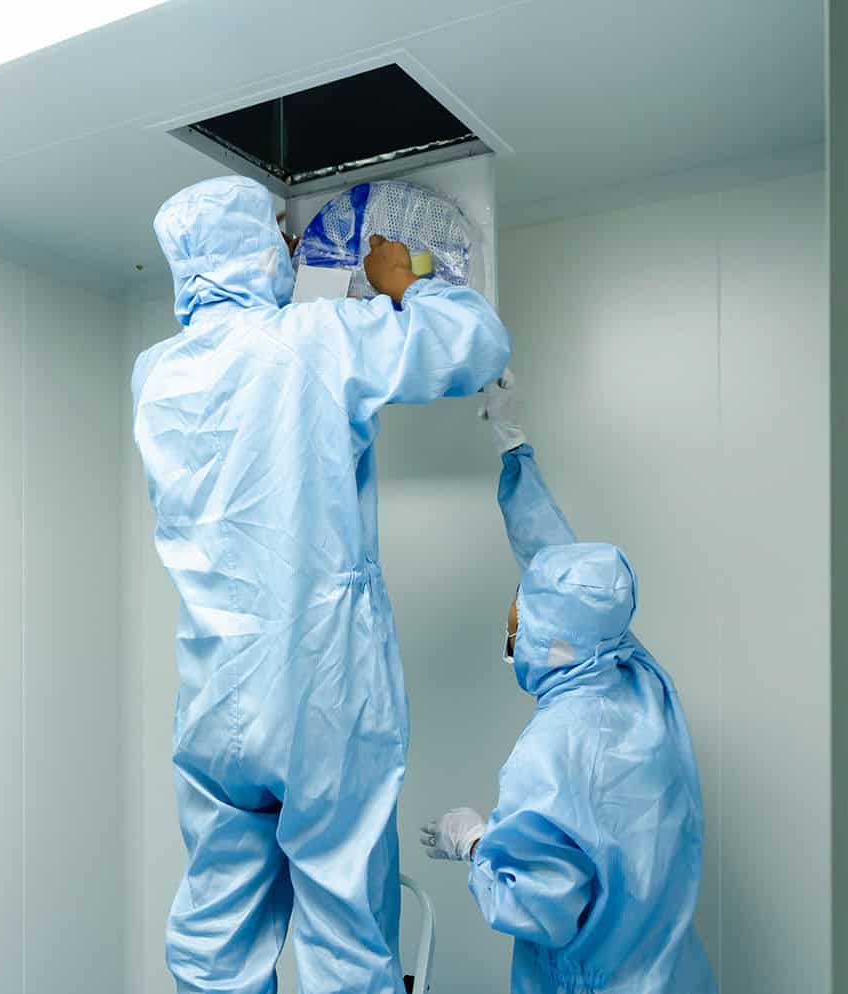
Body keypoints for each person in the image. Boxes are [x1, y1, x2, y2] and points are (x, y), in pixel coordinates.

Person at [132, 175, 511, 994]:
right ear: (250, 247)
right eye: (277, 231)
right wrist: (399, 282)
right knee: (346, 941)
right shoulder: (315, 337)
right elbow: (476, 342)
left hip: (213, 697)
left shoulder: (154, 375)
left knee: (214, 940)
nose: (291, 245)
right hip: (319, 688)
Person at [419, 373, 717, 994]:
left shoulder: (553, 749)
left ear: (549, 634)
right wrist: (512, 443)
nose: (511, 619)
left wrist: (474, 842)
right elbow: (563, 568)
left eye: (518, 614)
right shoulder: (634, 678)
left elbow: (540, 908)